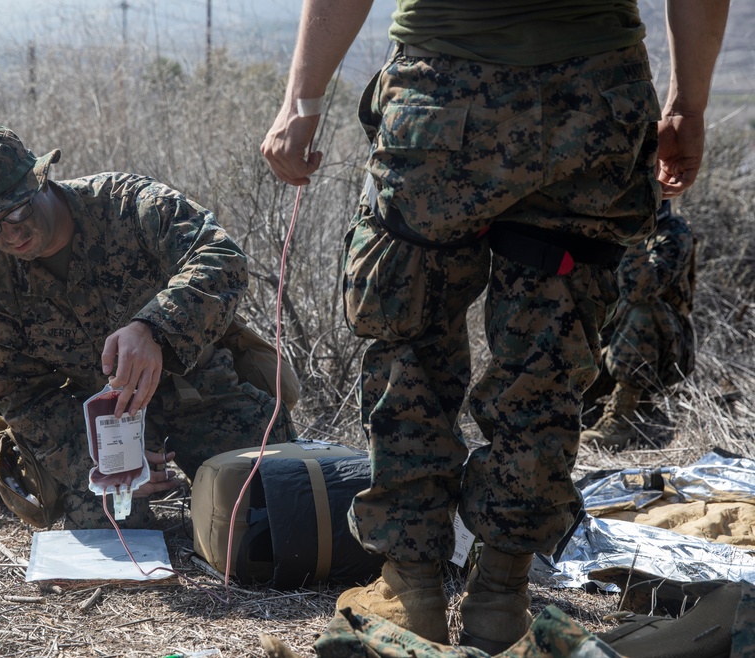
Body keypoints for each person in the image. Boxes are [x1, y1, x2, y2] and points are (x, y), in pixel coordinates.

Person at [261, 0, 728, 653]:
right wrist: (688, 105)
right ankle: (501, 595)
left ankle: (412, 588)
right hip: (596, 104)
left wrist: (301, 102)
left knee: (410, 341)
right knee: (550, 357)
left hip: (447, 97)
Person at [0, 125, 296, 529]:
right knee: (108, 527)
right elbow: (22, 398)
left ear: (41, 180)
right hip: (100, 428)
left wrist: (154, 328)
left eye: (18, 210)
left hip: (201, 394)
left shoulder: (127, 204)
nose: (10, 233)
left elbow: (222, 258)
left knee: (273, 513)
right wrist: (96, 461)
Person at [581, 200, 697, 450]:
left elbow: (641, 290)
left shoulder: (673, 232)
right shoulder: (606, 228)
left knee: (642, 308)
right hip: (612, 343)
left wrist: (631, 234)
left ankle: (621, 420)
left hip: (667, 346)